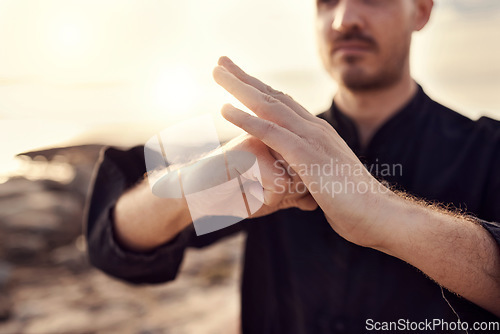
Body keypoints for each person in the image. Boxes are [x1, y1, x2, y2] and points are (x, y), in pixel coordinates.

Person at [85, 0, 500, 332]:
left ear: (422, 10)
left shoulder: (489, 148)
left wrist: (389, 215)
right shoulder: (265, 145)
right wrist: (185, 188)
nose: (343, 18)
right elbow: (111, 241)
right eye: (325, 2)